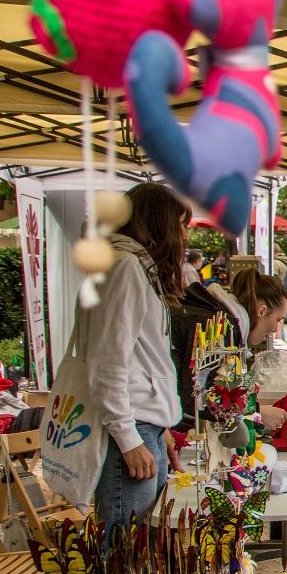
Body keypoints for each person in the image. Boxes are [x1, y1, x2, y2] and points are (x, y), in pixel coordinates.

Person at [86, 183, 184, 524]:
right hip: (131, 428)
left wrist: (162, 426)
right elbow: (107, 361)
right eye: (181, 224)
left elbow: (144, 357)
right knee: (127, 555)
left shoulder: (135, 267)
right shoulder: (124, 267)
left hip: (144, 426)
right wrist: (128, 438)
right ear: (161, 224)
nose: (184, 235)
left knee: (144, 546)